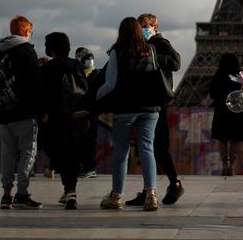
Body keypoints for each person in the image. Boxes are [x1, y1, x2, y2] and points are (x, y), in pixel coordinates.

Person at [96, 17, 175, 211]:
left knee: (121, 152)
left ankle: (116, 196)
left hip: (125, 108)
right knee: (147, 149)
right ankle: (151, 195)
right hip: (150, 108)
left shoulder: (117, 51)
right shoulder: (152, 50)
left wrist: (95, 96)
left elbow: (111, 84)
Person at [125, 13, 184, 207]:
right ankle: (148, 190)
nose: (142, 29)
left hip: (158, 103)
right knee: (147, 148)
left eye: (145, 25)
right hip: (146, 102)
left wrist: (153, 55)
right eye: (139, 26)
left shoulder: (159, 43)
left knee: (158, 147)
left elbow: (176, 62)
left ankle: (174, 183)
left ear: (153, 27)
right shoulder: (140, 45)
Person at [0, 15, 43, 210]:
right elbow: (35, 83)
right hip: (25, 112)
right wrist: (41, 109)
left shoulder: (1, 50)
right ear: (26, 31)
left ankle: (6, 194)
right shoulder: (26, 51)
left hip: (3, 112)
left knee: (7, 153)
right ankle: (22, 193)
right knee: (28, 152)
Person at [41, 32, 88, 210]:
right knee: (72, 154)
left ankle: (69, 190)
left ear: (51, 48)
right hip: (75, 117)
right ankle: (70, 190)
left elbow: (42, 95)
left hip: (55, 118)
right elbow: (85, 91)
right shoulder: (76, 65)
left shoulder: (48, 68)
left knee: (58, 153)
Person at [209, 52, 243, 176]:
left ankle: (224, 166)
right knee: (234, 140)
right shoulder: (241, 74)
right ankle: (232, 165)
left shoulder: (218, 74)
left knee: (222, 139)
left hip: (221, 111)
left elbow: (212, 94)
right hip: (236, 112)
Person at [74, 47, 99, 179]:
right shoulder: (77, 74)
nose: (86, 61)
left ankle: (90, 168)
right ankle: (81, 166)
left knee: (89, 142)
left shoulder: (96, 74)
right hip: (78, 113)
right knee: (79, 142)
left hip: (91, 113)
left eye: (88, 57)